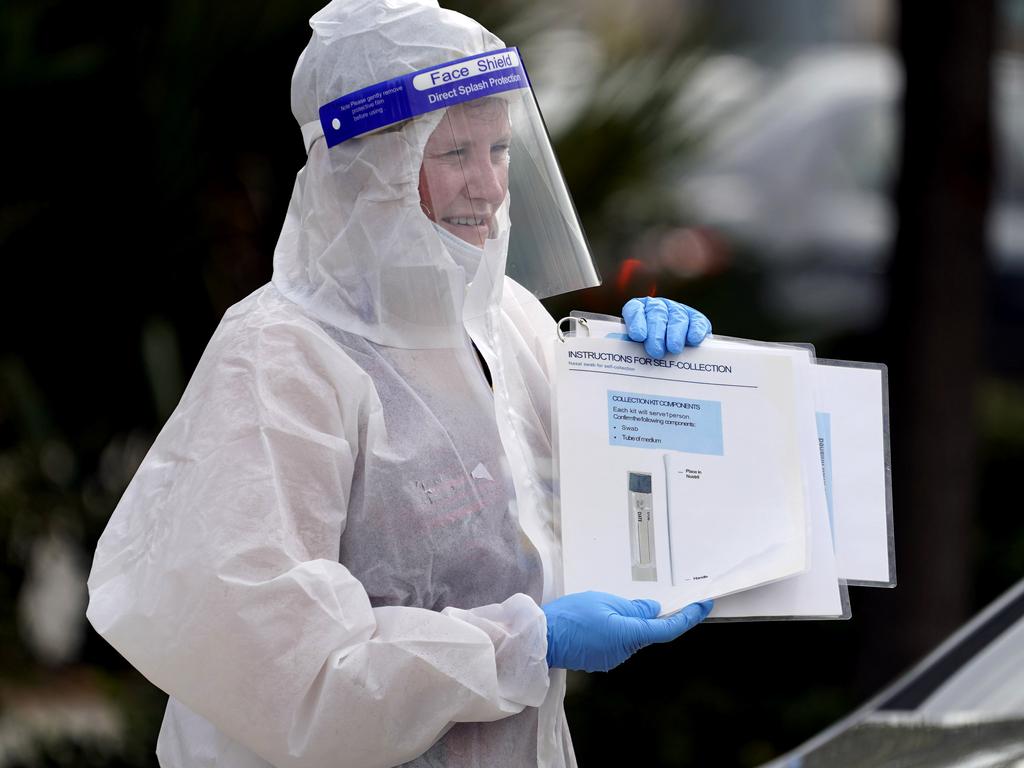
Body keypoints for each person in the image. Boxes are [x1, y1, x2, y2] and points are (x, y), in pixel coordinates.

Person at [86, 1, 714, 766]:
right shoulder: (281, 355)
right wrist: (521, 644)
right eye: (453, 154)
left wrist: (661, 384)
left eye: (499, 148)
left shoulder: (504, 323)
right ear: (366, 167)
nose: (487, 186)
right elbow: (287, 664)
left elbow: (617, 512)